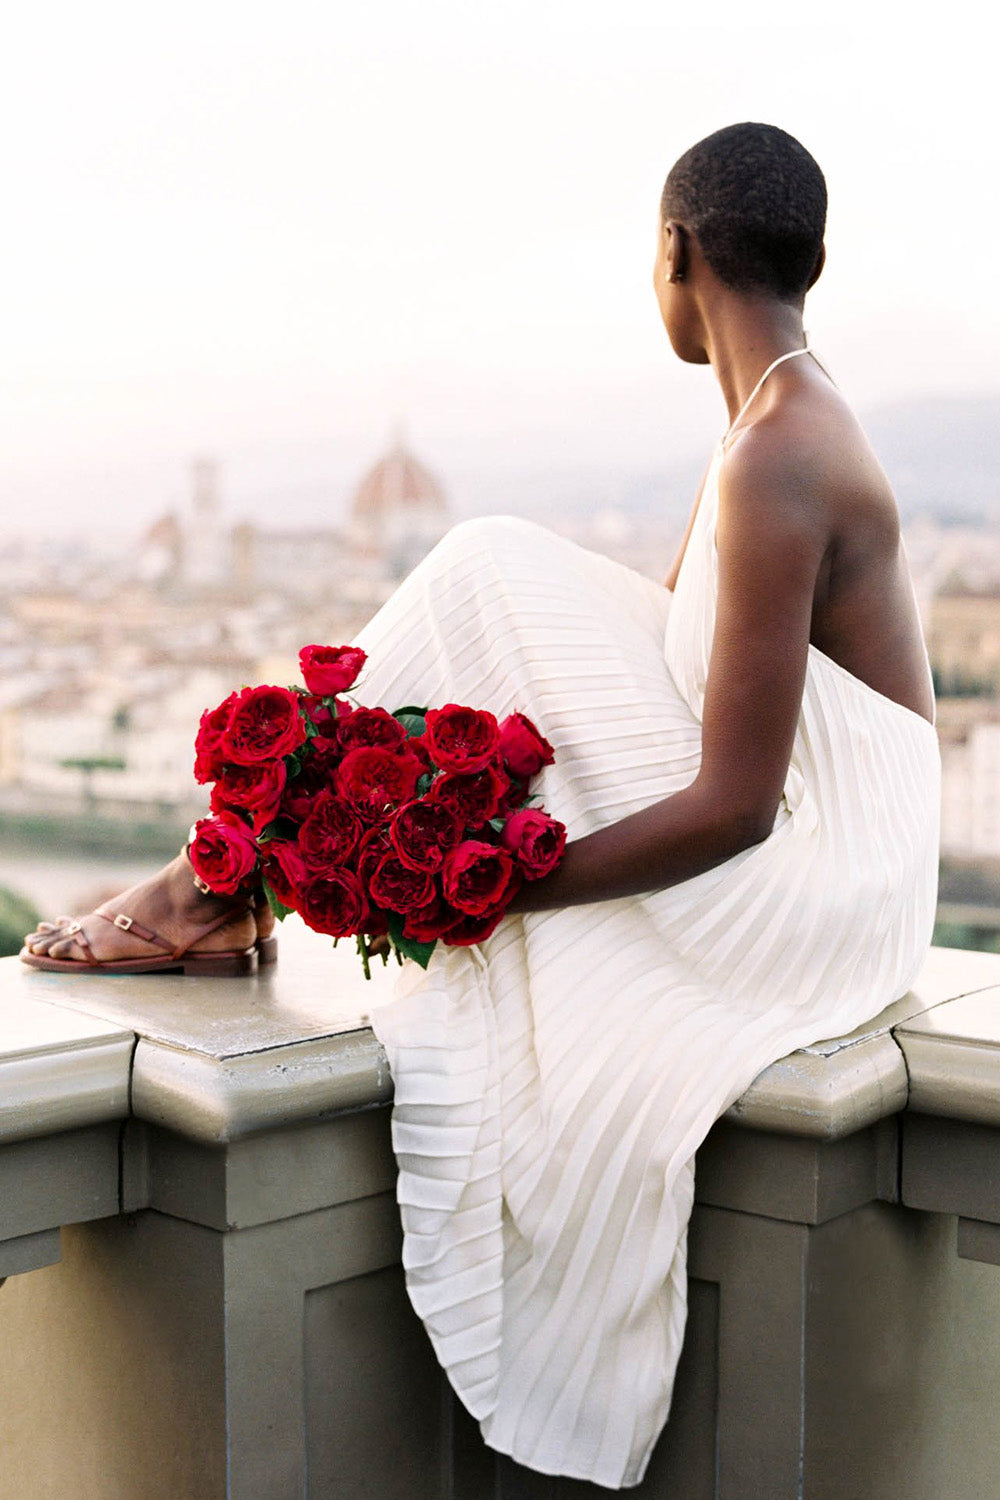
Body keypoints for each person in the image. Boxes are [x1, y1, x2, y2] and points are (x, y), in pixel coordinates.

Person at [21, 123, 939, 1489]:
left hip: (825, 885)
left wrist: (503, 878)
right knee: (488, 587)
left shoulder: (777, 455)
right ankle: (228, 879)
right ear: (812, 261)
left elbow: (739, 808)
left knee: (483, 571)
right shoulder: (777, 426)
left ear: (674, 257)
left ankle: (212, 885)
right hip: (843, 860)